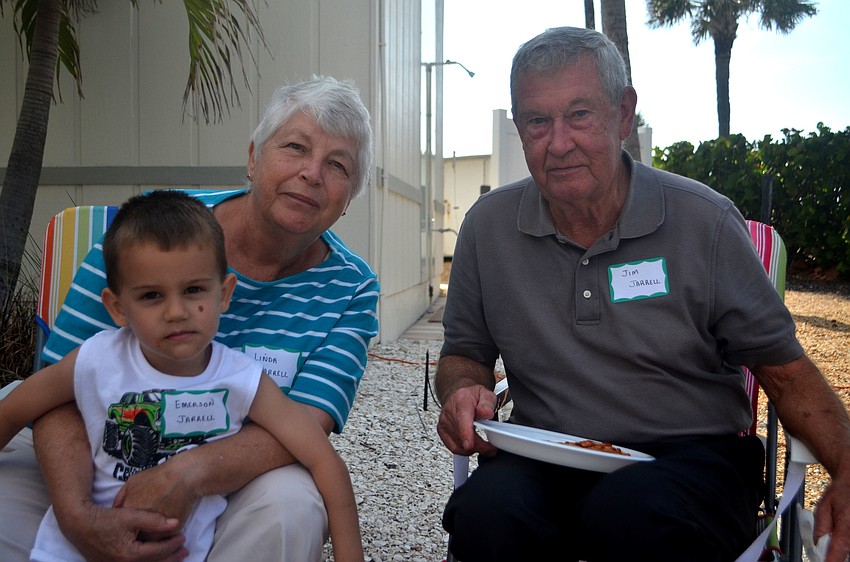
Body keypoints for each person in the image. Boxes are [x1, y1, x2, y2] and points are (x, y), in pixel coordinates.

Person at [435, 26, 850, 562]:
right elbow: (464, 355)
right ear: (519, 128)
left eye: (579, 115)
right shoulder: (487, 228)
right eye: (537, 121)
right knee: (485, 513)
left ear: (624, 113)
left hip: (694, 459)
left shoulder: (705, 223)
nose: (558, 143)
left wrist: (846, 467)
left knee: (629, 513)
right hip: (546, 453)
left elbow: (786, 373)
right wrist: (462, 391)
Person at [0, 76, 379, 562]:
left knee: (292, 505)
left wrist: (185, 474)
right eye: (295, 147)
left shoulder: (351, 289)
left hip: (232, 475)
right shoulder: (148, 235)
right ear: (253, 158)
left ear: (349, 198)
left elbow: (307, 427)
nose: (312, 173)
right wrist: (79, 516)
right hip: (84, 457)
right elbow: (54, 395)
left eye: (338, 165)